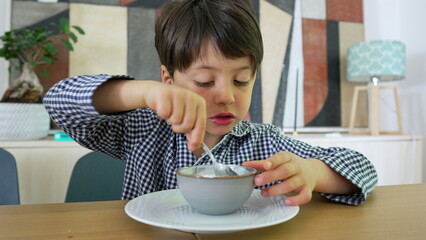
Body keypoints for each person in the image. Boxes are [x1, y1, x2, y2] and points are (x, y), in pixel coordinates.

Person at [43, 0, 377, 206]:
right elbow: (58, 103)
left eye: (241, 80)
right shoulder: (142, 130)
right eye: (205, 81)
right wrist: (141, 94)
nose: (226, 96)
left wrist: (313, 173)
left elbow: (364, 169)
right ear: (169, 80)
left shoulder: (264, 143)